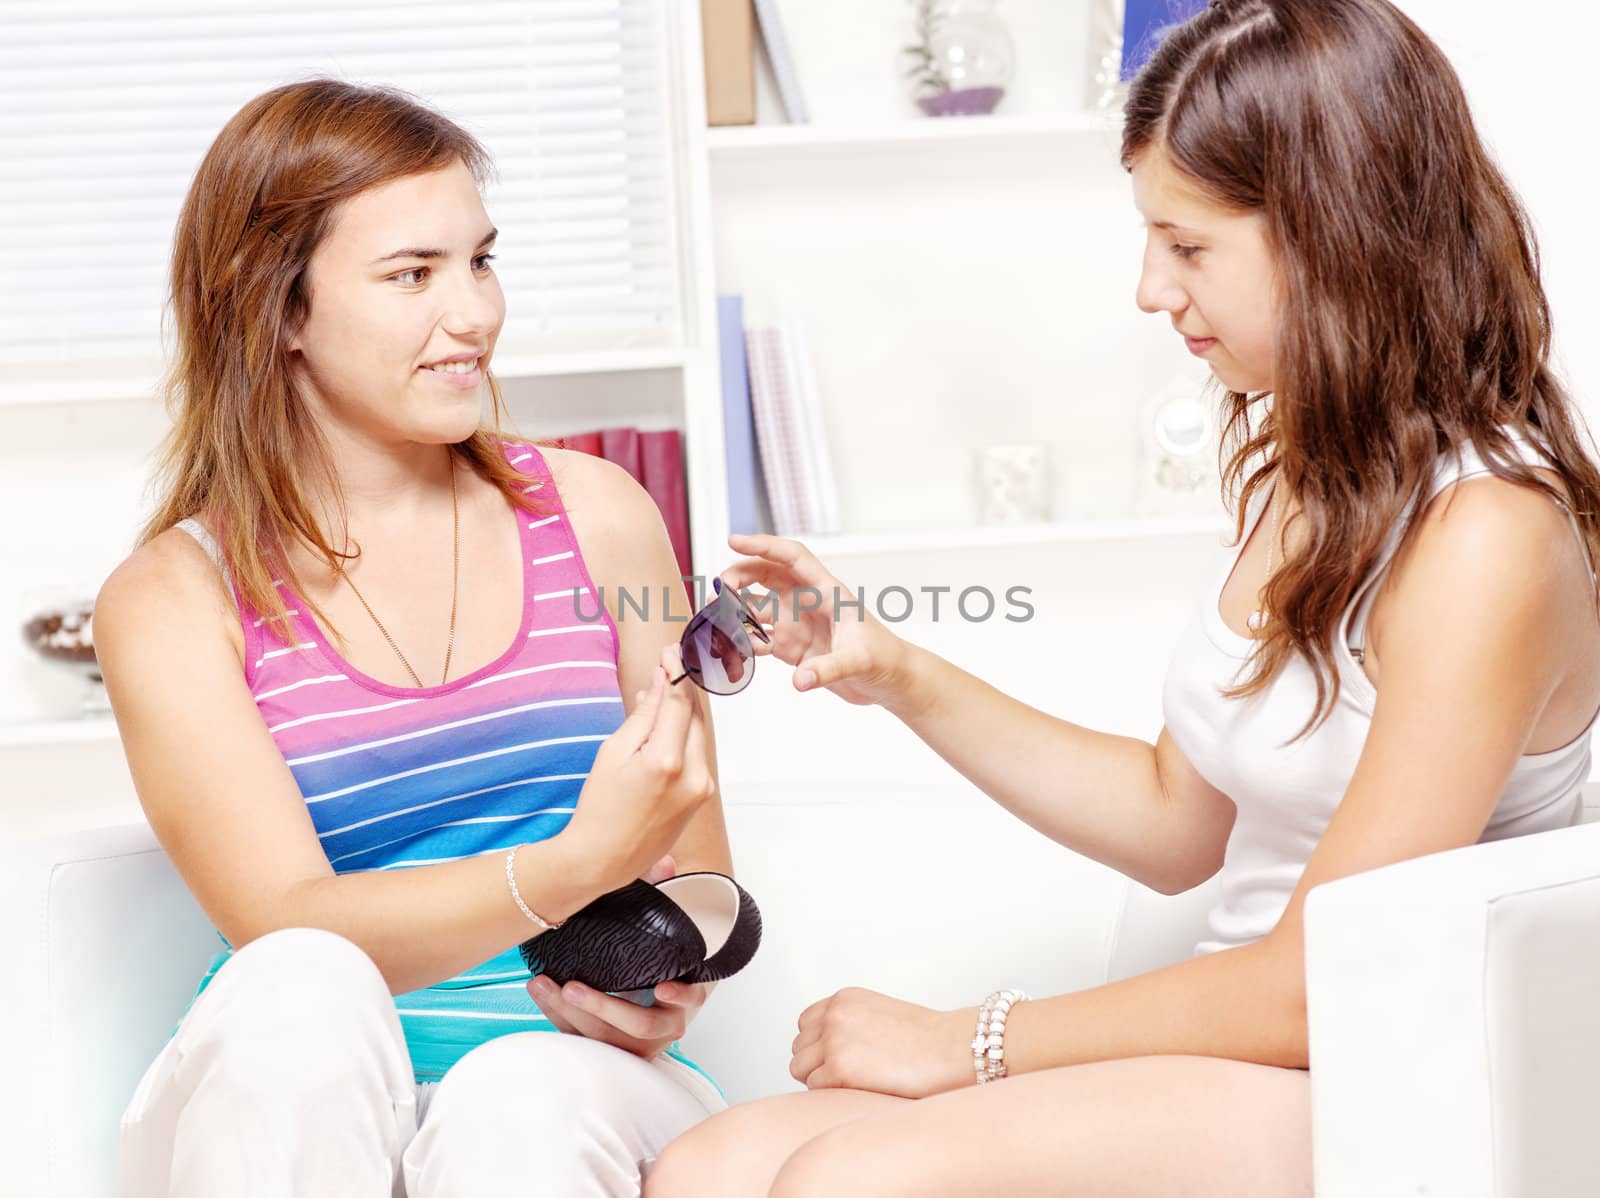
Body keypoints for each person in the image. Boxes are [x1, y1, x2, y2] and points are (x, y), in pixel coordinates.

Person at [644, 1, 1600, 1194]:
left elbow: (1322, 982)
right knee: (708, 1166)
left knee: (850, 1176)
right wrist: (893, 668)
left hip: (1381, 1073)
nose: (1150, 289)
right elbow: (1171, 823)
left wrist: (963, 1039)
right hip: (1241, 1053)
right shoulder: (1306, 477)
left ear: (1335, 237)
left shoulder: (1487, 534)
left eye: (1188, 246)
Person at [94, 78, 732, 1197]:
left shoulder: (598, 517)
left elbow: (706, 871)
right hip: (292, 1100)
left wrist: (671, 961)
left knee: (514, 1097)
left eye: (480, 261)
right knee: (302, 981)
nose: (473, 314)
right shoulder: (172, 598)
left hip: (568, 1079)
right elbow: (286, 922)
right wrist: (570, 867)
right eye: (412, 275)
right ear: (279, 309)